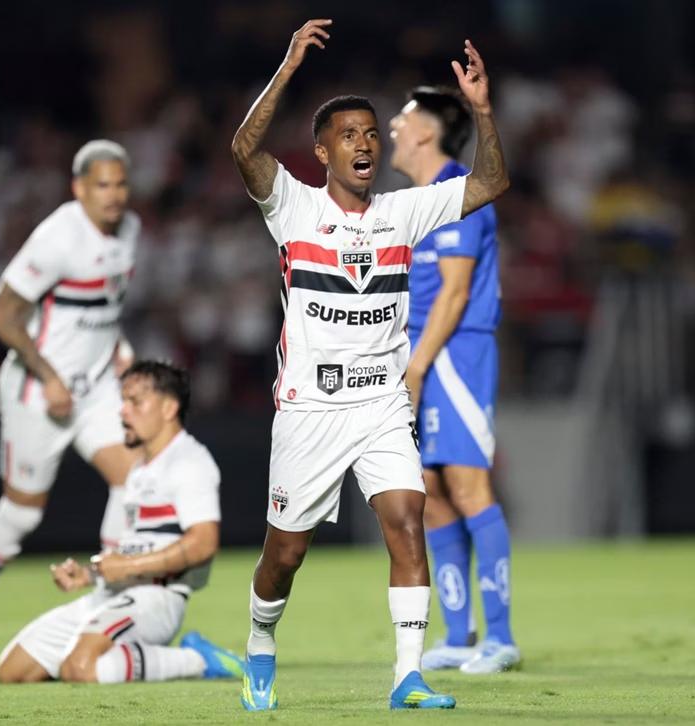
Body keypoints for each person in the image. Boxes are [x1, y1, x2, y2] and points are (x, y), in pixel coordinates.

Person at [229, 18, 509, 711]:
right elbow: (243, 147)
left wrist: (480, 111)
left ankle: (407, 676)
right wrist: (290, 66)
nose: (365, 142)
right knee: (284, 556)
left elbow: (493, 180)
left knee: (408, 520)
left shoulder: (404, 212)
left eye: (372, 133)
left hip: (382, 404)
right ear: (322, 150)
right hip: (310, 409)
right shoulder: (292, 206)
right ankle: (262, 642)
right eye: (349, 134)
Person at [0, 140, 141, 664]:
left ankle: (106, 603)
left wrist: (119, 350)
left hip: (96, 388)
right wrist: (50, 376)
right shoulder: (57, 237)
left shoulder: (131, 231)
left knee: (134, 477)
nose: (114, 195)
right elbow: (0, 314)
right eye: (102, 185)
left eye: (120, 183)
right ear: (78, 188)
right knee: (22, 515)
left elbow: (105, 306)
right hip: (38, 391)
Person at [0, 360, 243, 685]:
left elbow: (203, 543)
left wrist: (127, 568)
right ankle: (121, 658)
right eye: (122, 401)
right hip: (114, 594)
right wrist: (90, 573)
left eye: (135, 402)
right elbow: (136, 548)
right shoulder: (140, 470)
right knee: (13, 670)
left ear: (169, 407)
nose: (123, 412)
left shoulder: (189, 462)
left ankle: (198, 660)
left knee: (81, 667)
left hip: (157, 599)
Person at [390, 86, 519, 673]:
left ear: (426, 131)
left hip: (455, 357)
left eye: (403, 115)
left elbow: (456, 290)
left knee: (468, 488)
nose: (392, 124)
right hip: (415, 354)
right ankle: (460, 633)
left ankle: (501, 638)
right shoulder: (412, 200)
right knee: (431, 495)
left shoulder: (458, 194)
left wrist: (417, 367)